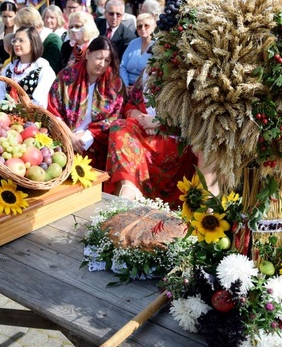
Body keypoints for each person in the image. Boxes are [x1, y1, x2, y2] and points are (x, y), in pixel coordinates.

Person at [106, 67, 197, 204]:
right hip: (143, 128)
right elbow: (130, 105)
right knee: (119, 127)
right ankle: (128, 186)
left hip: (172, 137)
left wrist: (158, 123)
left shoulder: (187, 76)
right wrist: (141, 118)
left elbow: (193, 121)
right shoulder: (149, 71)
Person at [48, 36, 125, 170]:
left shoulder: (114, 84)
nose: (102, 64)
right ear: (88, 54)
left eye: (107, 60)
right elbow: (53, 111)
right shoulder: (66, 77)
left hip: (96, 141)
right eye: (99, 58)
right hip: (64, 135)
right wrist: (70, 137)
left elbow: (114, 117)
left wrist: (87, 136)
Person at [0, 26, 56, 110]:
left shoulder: (43, 68)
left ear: (33, 42)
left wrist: (19, 111)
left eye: (21, 40)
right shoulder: (10, 67)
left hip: (32, 118)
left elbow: (40, 102)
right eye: (15, 40)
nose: (16, 44)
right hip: (5, 117)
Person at [14, 7, 63, 75]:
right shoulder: (26, 40)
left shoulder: (52, 40)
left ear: (30, 25)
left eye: (21, 27)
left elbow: (52, 70)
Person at [119, 13, 156, 87]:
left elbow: (154, 73)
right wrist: (125, 85)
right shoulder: (133, 43)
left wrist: (136, 88)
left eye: (146, 26)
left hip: (145, 87)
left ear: (153, 27)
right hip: (126, 85)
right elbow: (122, 66)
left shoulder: (157, 46)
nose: (142, 29)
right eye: (139, 26)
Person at [0, 1, 18, 66]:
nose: (7, 20)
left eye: (10, 16)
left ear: (16, 14)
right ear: (1, 15)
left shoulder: (21, 28)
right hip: (1, 63)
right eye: (4, 16)